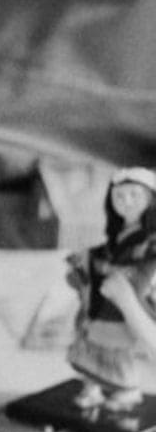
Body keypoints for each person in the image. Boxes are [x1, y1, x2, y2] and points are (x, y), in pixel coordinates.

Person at [66, 166, 156, 411]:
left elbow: (147, 270)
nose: (126, 201)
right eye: (119, 196)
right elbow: (99, 259)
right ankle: (93, 388)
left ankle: (126, 392)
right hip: (103, 299)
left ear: (149, 199)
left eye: (134, 195)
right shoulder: (115, 237)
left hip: (125, 301)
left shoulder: (150, 241)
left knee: (118, 351)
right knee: (92, 344)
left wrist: (125, 281)